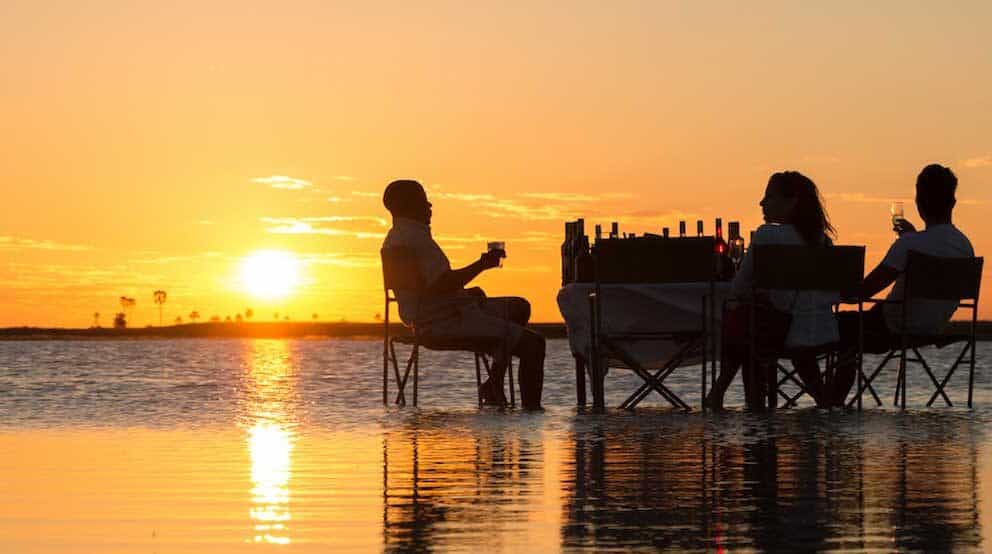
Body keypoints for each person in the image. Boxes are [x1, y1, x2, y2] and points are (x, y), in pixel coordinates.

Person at [380, 179, 545, 409]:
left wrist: (465, 293)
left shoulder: (394, 239)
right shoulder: (416, 239)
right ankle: (532, 421)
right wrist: (481, 265)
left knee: (519, 307)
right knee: (533, 345)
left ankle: (494, 382)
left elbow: (427, 289)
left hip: (427, 318)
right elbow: (442, 283)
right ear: (409, 205)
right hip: (447, 320)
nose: (430, 206)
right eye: (423, 200)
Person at [830, 164, 974, 405]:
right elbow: (932, 247)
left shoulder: (909, 245)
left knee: (837, 327)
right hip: (932, 328)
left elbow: (865, 291)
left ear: (919, 201)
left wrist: (833, 293)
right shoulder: (964, 246)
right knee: (850, 327)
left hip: (889, 327)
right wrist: (913, 236)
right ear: (953, 202)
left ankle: (832, 402)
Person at [705, 171, 838, 410]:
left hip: (776, 333)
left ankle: (743, 402)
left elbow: (738, 287)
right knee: (762, 321)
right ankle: (824, 400)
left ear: (791, 201)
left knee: (747, 319)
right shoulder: (823, 241)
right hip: (824, 332)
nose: (762, 203)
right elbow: (835, 294)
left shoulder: (768, 235)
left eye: (769, 197)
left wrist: (760, 295)